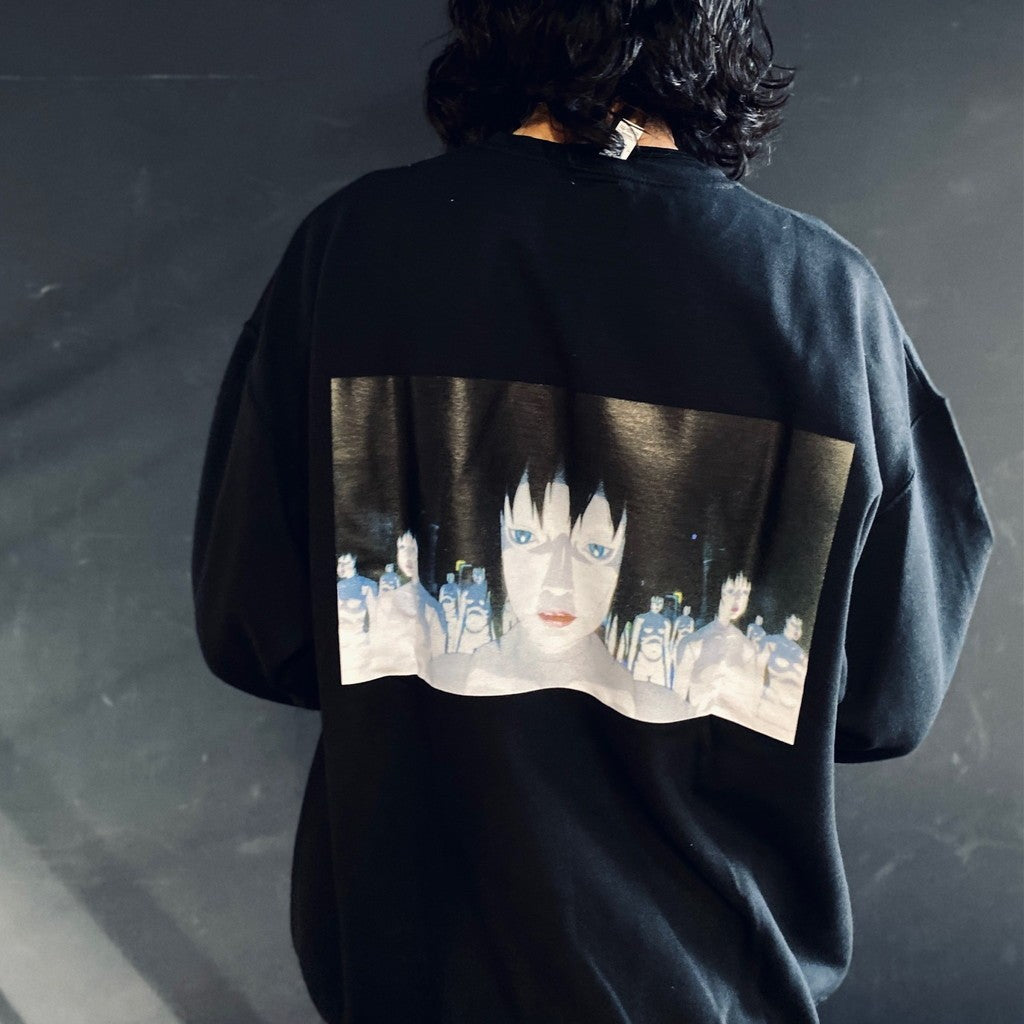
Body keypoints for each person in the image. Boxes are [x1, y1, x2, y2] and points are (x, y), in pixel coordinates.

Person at [190, 2, 995, 1021]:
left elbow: (255, 630)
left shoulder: (354, 250)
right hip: (714, 990)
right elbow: (886, 700)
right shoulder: (826, 300)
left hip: (415, 980)